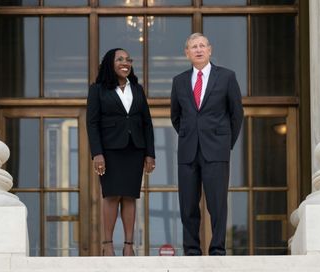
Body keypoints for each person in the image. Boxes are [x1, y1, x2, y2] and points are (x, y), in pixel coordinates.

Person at [171, 33, 244, 256]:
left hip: (216, 150)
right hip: (188, 151)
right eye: (194, 47)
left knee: (217, 204)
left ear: (210, 50)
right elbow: (176, 116)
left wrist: (224, 143)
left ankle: (217, 249)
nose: (199, 50)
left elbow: (236, 114)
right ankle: (192, 250)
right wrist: (189, 136)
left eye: (202, 45)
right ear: (187, 53)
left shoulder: (227, 77)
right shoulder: (179, 81)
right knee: (188, 206)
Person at [87, 48, 155, 256]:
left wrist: (150, 153)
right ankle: (107, 245)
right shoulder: (98, 89)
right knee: (111, 196)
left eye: (128, 59)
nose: (125, 63)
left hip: (135, 149)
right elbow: (92, 123)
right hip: (110, 150)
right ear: (110, 63)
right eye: (120, 59)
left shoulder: (137, 88)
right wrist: (97, 153)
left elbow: (146, 123)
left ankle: (128, 246)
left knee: (130, 196)